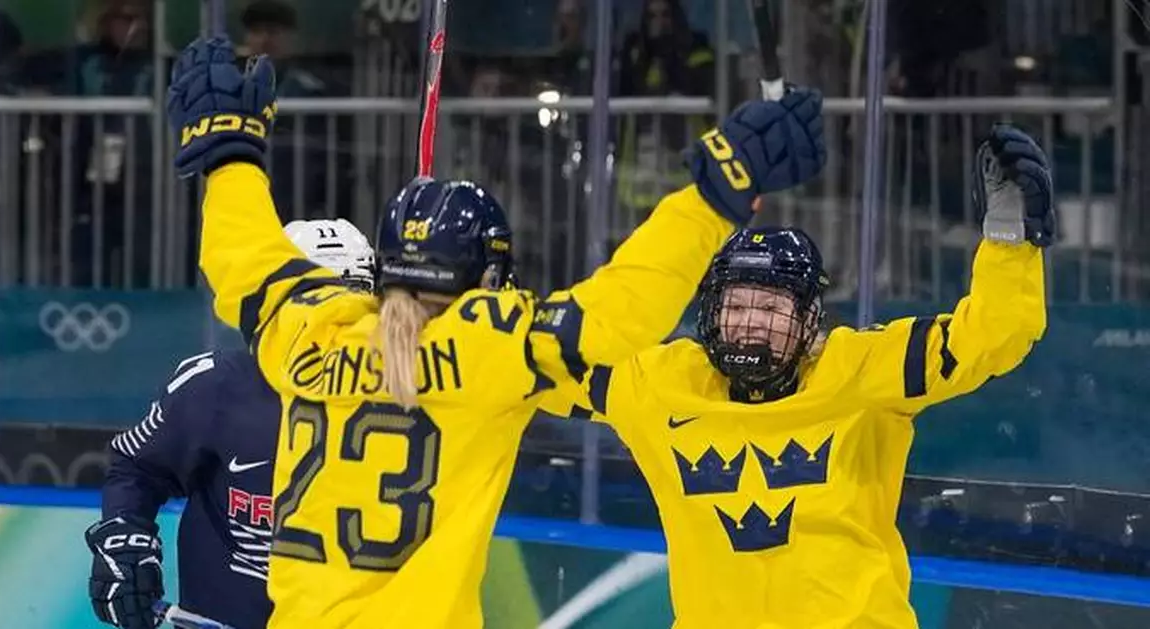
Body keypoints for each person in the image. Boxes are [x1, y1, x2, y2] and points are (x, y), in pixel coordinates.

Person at [165, 36, 826, 628]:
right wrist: (716, 192)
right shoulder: (489, 347)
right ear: (483, 278)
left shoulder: (309, 326)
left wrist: (230, 155)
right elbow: (621, 308)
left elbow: (243, 257)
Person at [579, 124, 1054, 628]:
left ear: (809, 318)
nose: (749, 320)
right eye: (735, 304)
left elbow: (991, 337)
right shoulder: (663, 384)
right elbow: (541, 366)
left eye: (770, 305)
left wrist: (1008, 240)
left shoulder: (861, 370)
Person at [84, 219, 375, 629]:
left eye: (355, 297)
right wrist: (125, 538)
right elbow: (137, 467)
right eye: (320, 301)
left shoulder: (411, 400)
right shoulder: (216, 386)